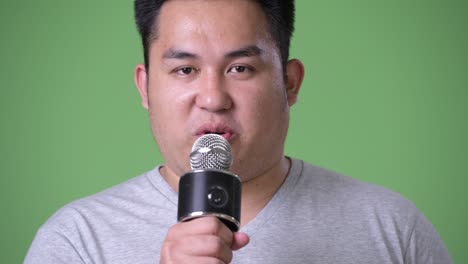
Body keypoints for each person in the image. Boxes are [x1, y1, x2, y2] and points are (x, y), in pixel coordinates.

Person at [25, 0, 452, 263]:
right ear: (146, 86)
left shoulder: (391, 227)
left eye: (240, 68)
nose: (213, 97)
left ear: (290, 83)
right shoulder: (77, 241)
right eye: (185, 69)